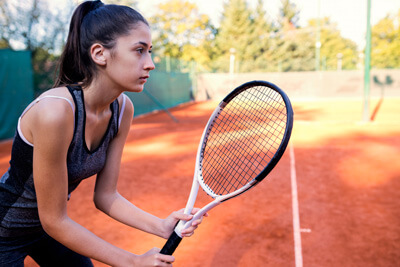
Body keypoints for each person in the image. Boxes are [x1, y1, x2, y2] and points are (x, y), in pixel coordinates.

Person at [0, 1, 205, 266]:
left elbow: (106, 196)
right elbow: (54, 219)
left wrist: (162, 226)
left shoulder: (122, 110)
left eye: (150, 51)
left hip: (44, 229)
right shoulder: (55, 111)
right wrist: (132, 261)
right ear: (99, 54)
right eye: (139, 51)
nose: (151, 64)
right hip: (5, 232)